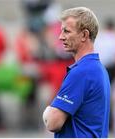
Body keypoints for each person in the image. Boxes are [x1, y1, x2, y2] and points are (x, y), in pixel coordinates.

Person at [42, 7, 111, 138]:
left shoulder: (81, 72)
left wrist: (47, 112)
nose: (60, 37)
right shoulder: (99, 69)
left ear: (84, 35)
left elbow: (52, 123)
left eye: (67, 31)